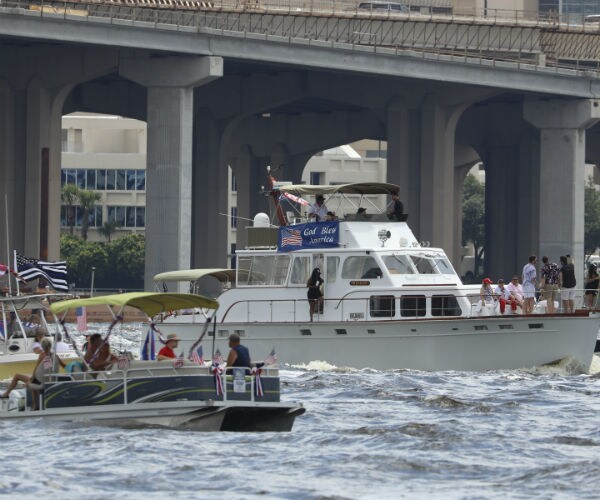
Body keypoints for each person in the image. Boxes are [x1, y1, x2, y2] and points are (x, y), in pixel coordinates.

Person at [1, 338, 52, 410]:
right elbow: (47, 370)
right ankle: (35, 405)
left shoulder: (43, 355)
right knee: (31, 380)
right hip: (44, 379)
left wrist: (31, 379)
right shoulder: (50, 355)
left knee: (17, 376)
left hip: (40, 380)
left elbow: (36, 368)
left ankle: (6, 394)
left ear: (43, 346)